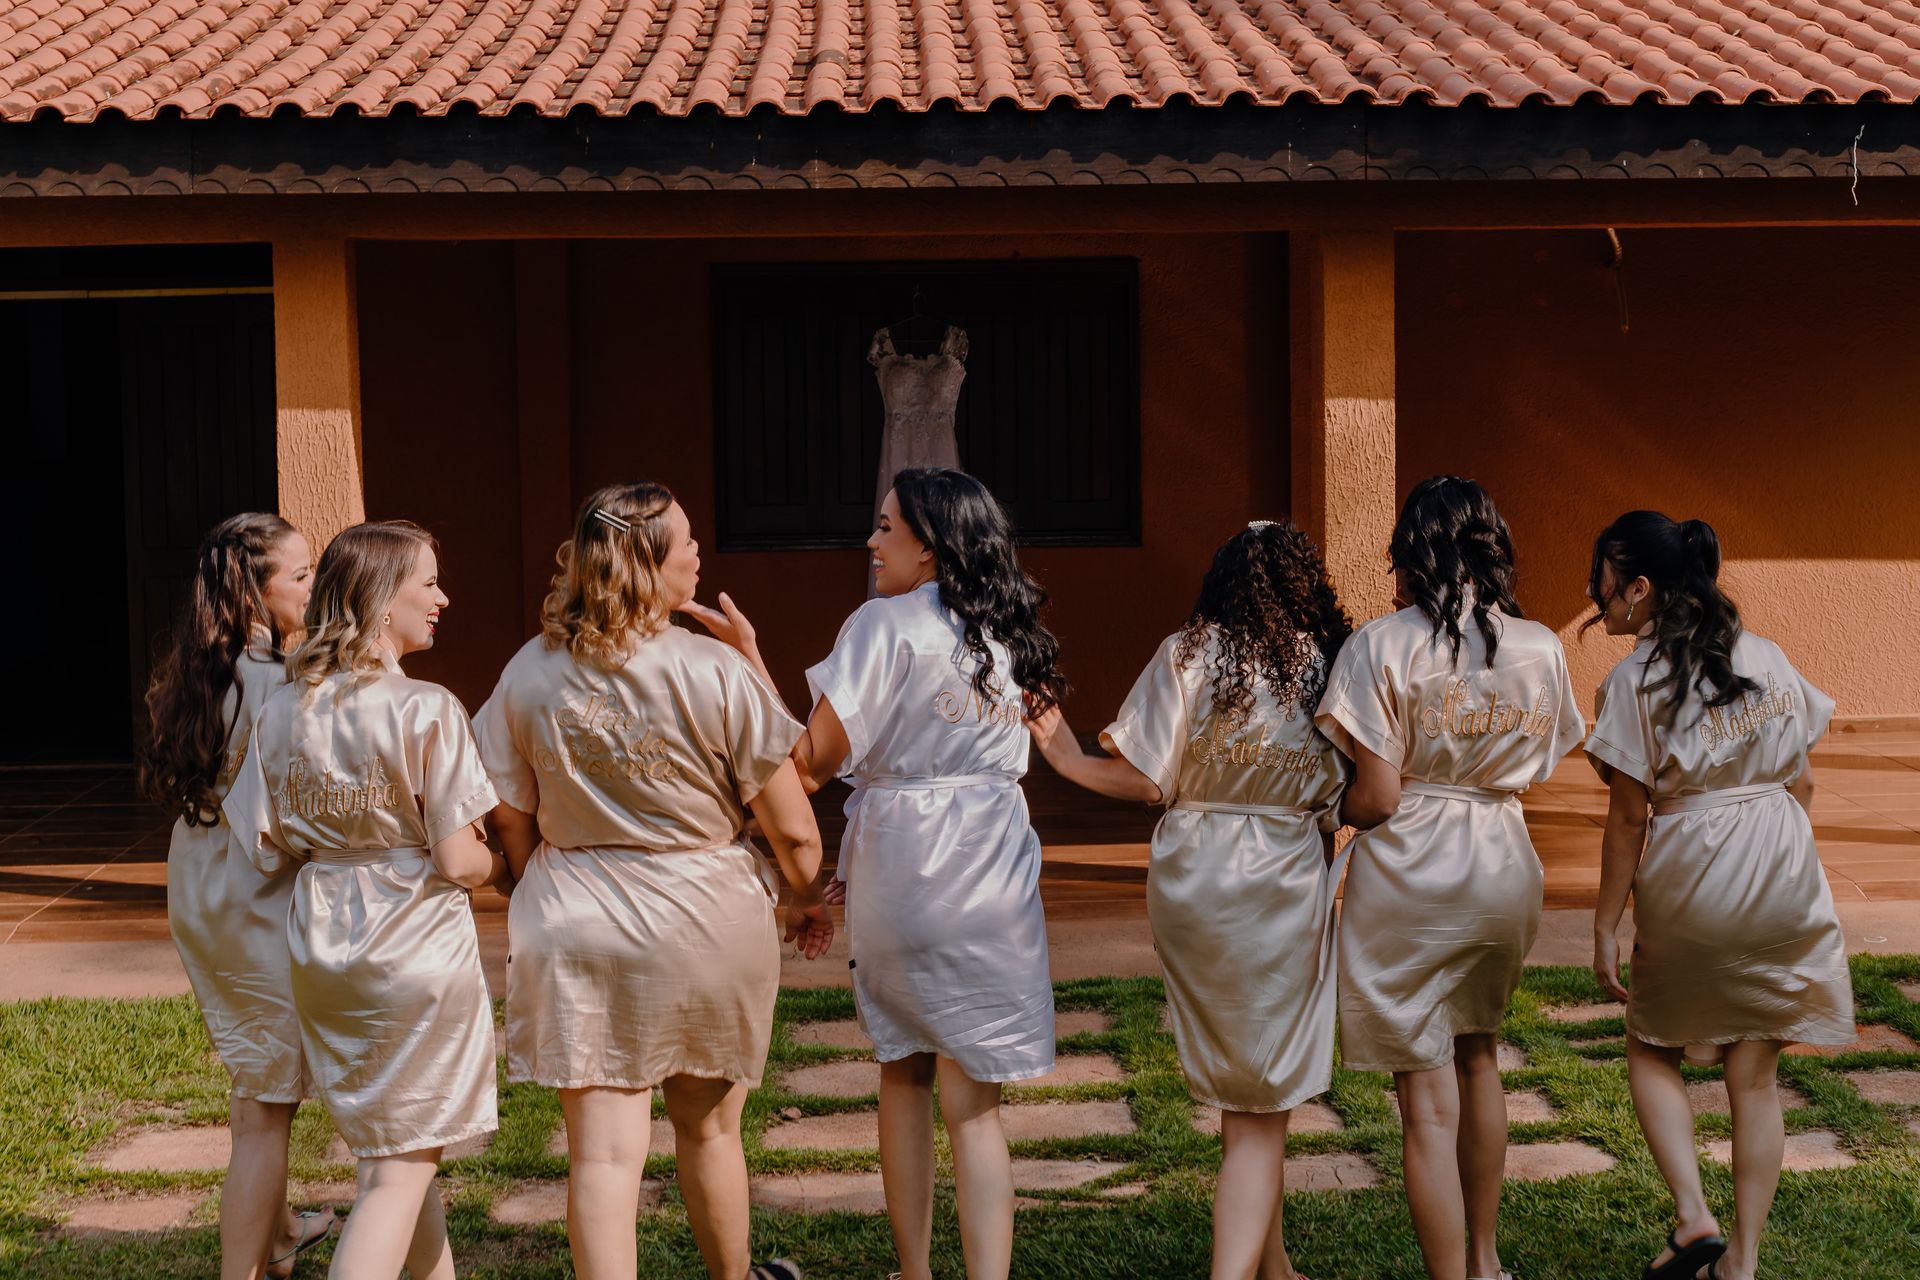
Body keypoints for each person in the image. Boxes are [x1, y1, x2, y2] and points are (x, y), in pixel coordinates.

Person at [712, 467, 1066, 1280]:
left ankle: (915, 1272)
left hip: (907, 862)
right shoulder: (1010, 629)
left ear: (929, 544)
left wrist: (750, 660)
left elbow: (805, 765)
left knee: (904, 1073)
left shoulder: (884, 625)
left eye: (884, 527)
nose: (871, 542)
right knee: (976, 1108)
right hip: (996, 864)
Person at [473, 483, 830, 1280]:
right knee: (710, 1130)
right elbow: (796, 830)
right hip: (705, 917)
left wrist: (534, 882)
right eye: (686, 542)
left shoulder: (528, 671)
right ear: (645, 562)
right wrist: (804, 898)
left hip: (575, 919)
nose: (699, 553)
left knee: (601, 1157)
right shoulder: (716, 670)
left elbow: (509, 814)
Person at [1026, 520, 1351, 1280]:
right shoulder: (1328, 666)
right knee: (1260, 1100)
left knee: (1252, 1089)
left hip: (1196, 884)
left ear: (1224, 580)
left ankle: (1275, 1266)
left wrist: (1066, 757)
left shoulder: (1188, 653)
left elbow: (1148, 779)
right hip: (1283, 880)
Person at [1316, 476, 1584, 1280]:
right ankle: (1486, 1263)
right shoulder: (1540, 646)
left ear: (1412, 551)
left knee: (1426, 1106)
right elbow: (1544, 760)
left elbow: (1377, 796)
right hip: (1502, 860)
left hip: (1412, 870)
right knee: (1480, 1056)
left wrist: (1326, 815)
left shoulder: (1380, 645)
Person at [226, 520, 509, 1280]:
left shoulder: (283, 711)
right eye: (429, 583)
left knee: (395, 1153)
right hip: (412, 944)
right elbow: (458, 859)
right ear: (383, 600)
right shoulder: (426, 708)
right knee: (396, 1177)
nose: (443, 599)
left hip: (324, 945)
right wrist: (502, 863)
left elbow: (266, 844)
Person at [1584, 511, 1853, 1280]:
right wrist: (1777, 854)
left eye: (1602, 580)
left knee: (1651, 1045)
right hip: (1782, 862)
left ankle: (1692, 1216)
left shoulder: (1633, 681)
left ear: (1639, 587)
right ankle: (1741, 1262)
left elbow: (1628, 818)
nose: (1595, 594)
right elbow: (1803, 780)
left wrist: (1604, 925)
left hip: (1694, 869)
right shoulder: (1765, 654)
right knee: (1754, 1074)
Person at [138, 512, 334, 1279]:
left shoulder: (202, 670)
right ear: (254, 591)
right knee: (265, 1107)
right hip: (251, 895)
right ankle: (250, 1266)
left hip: (200, 883)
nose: (314, 587)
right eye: (301, 575)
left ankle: (280, 1229)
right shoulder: (274, 682)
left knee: (256, 1073)